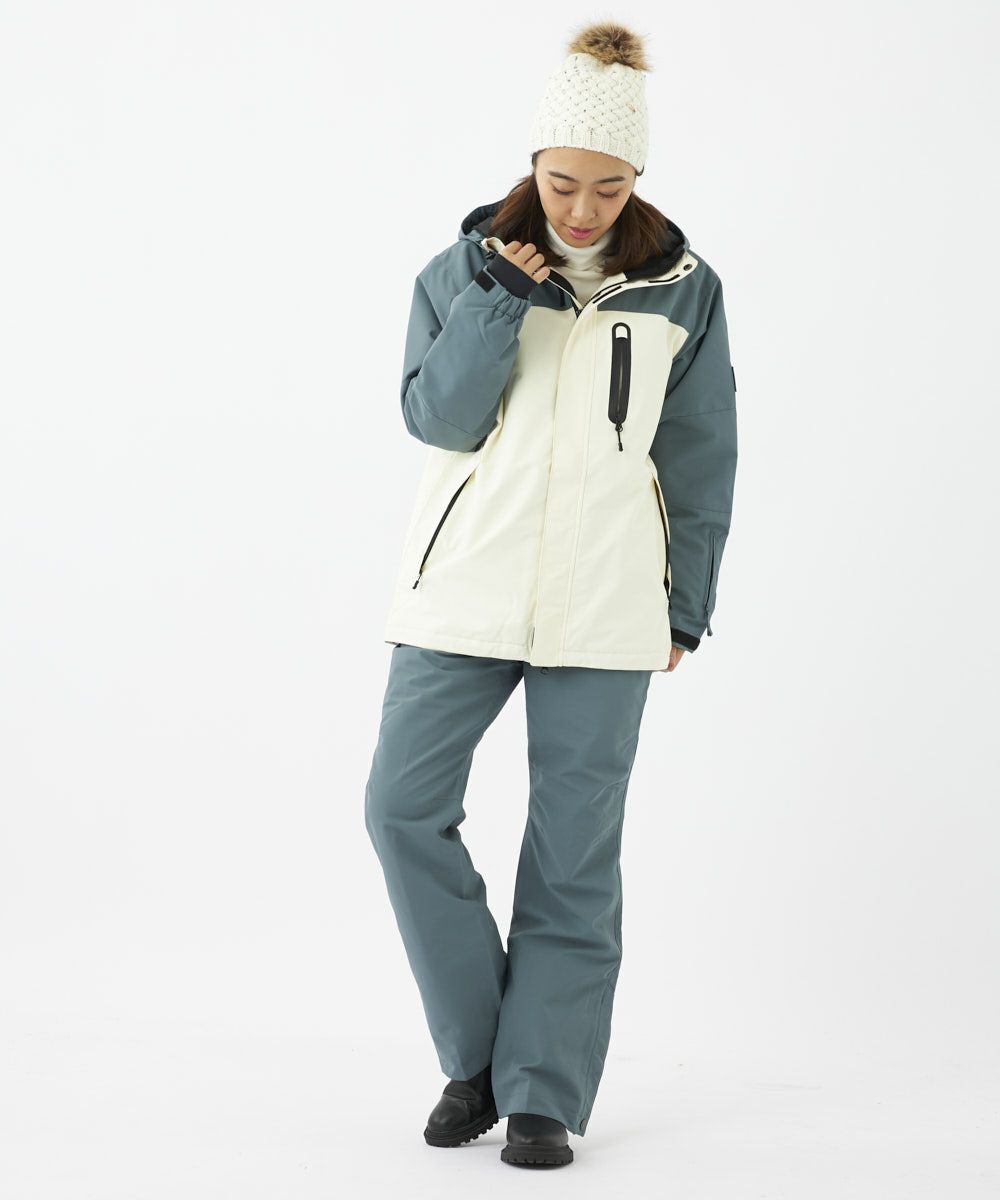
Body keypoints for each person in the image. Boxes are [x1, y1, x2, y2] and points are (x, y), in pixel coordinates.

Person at [364, 20, 738, 1169]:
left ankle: (539, 1091)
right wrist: (494, 297)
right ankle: (479, 1059)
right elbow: (436, 418)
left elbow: (700, 453)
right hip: (462, 588)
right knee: (399, 809)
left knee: (574, 854)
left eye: (608, 187)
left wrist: (684, 603)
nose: (582, 209)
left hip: (608, 603)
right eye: (564, 182)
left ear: (638, 180)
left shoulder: (682, 291)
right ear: (532, 165)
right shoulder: (459, 269)